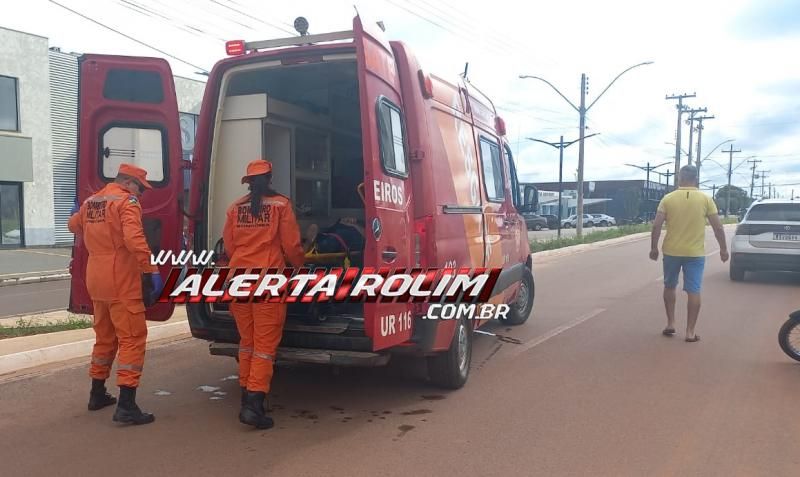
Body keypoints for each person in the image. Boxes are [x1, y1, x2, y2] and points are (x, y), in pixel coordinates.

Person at [68, 163, 163, 425]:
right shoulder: (126, 202)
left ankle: (97, 393)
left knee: (104, 338)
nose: (141, 194)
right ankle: (127, 405)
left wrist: (76, 211)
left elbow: (73, 226)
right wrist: (150, 269)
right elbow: (134, 239)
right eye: (141, 188)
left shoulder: (91, 202)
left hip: (96, 280)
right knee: (132, 338)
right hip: (121, 280)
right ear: (129, 182)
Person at [222, 159, 305, 430]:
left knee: (247, 342)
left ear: (248, 182)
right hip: (267, 282)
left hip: (238, 281)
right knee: (264, 347)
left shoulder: (235, 208)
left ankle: (247, 393)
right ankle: (254, 405)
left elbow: (230, 247)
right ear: (270, 179)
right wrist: (300, 268)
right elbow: (291, 245)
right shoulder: (281, 205)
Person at [649, 165, 729, 342]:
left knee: (669, 286)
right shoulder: (706, 199)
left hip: (671, 251)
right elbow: (718, 227)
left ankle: (671, 323)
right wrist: (723, 249)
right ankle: (690, 332)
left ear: (680, 178)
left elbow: (656, 225)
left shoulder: (667, 199)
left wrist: (653, 248)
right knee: (694, 290)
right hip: (695, 253)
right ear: (696, 178)